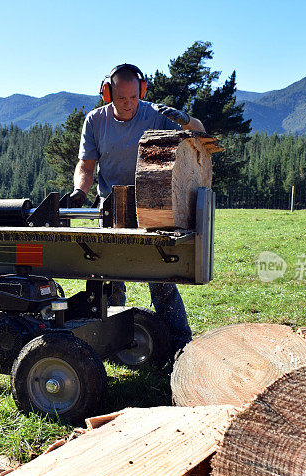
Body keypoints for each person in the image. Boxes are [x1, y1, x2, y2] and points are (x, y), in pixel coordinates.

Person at [69, 63, 206, 354]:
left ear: (141, 91)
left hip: (151, 202)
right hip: (111, 204)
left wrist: (187, 120)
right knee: (109, 278)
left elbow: (200, 135)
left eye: (134, 97)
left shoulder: (155, 113)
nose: (129, 104)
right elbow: (86, 165)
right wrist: (80, 192)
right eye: (121, 98)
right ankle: (114, 344)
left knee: (160, 277)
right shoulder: (95, 121)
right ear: (108, 93)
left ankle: (181, 344)